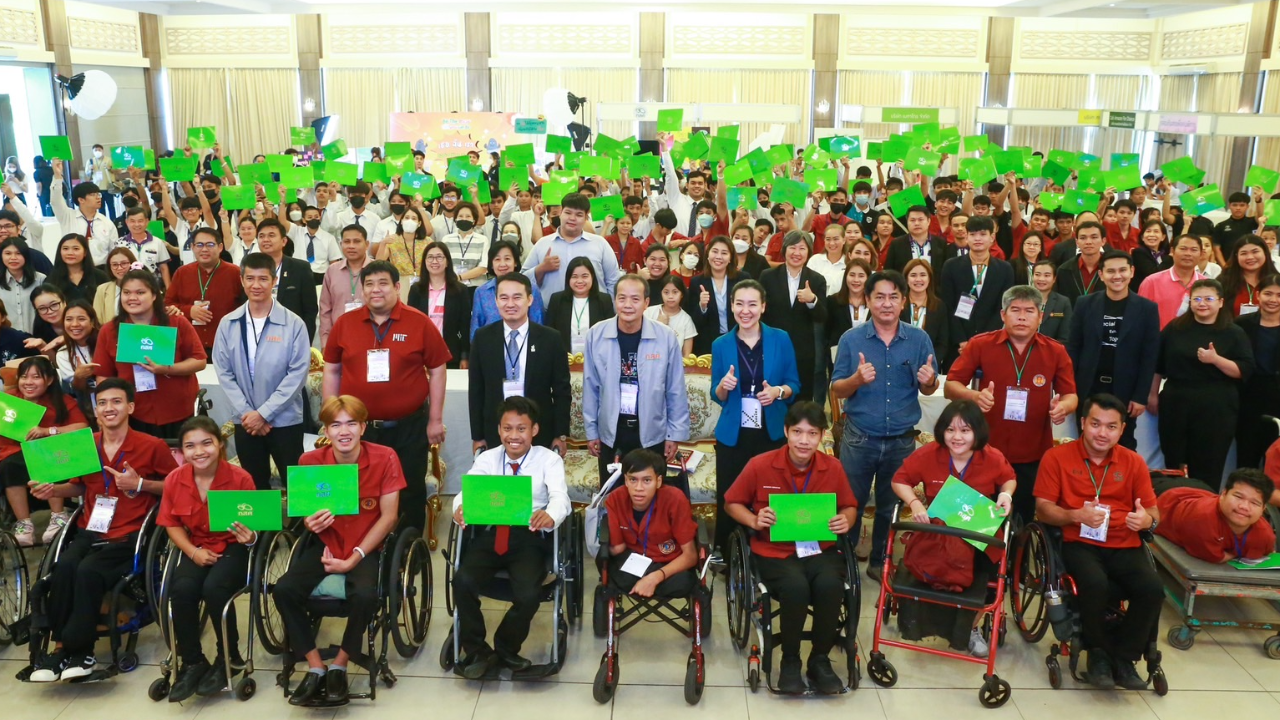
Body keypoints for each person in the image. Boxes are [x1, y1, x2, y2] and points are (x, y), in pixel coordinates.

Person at [25, 378, 178, 682]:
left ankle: (82, 652)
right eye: (103, 403)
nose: (109, 408)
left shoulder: (152, 446)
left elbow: (177, 486)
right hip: (91, 528)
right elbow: (82, 485)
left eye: (117, 401)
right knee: (63, 568)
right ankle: (58, 650)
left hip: (129, 533)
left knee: (88, 572)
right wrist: (53, 489)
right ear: (95, 411)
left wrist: (139, 484)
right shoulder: (85, 444)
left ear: (130, 407)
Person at [271, 395, 403, 705]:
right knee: (284, 590)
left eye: (351, 424)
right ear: (326, 431)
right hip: (325, 542)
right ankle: (316, 666)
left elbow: (389, 517)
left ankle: (340, 663)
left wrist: (354, 557)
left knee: (366, 595)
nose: (344, 431)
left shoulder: (385, 458)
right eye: (335, 425)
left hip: (365, 544)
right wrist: (310, 520)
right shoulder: (309, 462)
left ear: (363, 427)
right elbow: (303, 513)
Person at [724, 401, 857, 695]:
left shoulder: (832, 467)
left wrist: (845, 520)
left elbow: (849, 506)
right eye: (797, 432)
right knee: (795, 587)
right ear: (786, 431)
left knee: (830, 587)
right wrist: (755, 520)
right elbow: (732, 502)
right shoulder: (760, 464)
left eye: (812, 433)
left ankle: (819, 661)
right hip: (775, 550)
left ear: (822, 436)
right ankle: (791, 661)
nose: (804, 440)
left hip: (819, 549)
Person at [1033, 393, 1162, 691]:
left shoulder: (1133, 462)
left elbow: (1154, 512)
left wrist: (1146, 521)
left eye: (1111, 426)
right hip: (1078, 539)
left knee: (1152, 589)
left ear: (1121, 429)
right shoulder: (1056, 458)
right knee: (1094, 583)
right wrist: (1074, 514)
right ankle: (1099, 654)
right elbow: (1042, 509)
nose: (1102, 433)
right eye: (1095, 424)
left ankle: (1125, 658)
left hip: (1124, 541)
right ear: (1082, 423)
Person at [323, 260, 449, 533]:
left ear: (396, 287)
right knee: (360, 488)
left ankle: (408, 549)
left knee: (409, 489)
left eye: (382, 284)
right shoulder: (345, 324)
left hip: (409, 426)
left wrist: (435, 419)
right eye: (369, 284)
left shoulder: (419, 322)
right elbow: (331, 369)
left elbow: (438, 369)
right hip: (359, 428)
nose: (375, 290)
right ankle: (364, 545)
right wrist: (330, 414)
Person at [451, 396, 571, 678]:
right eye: (507, 428)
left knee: (529, 594)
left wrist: (551, 515)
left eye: (521, 429)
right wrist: (459, 507)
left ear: (534, 430)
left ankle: (505, 646)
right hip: (491, 534)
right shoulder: (488, 458)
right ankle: (477, 649)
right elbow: (468, 490)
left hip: (528, 536)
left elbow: (560, 497)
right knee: (462, 580)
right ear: (499, 429)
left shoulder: (549, 460)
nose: (513, 436)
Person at [831, 270, 939, 581]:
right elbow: (837, 389)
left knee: (890, 507)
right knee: (850, 501)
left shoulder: (919, 339)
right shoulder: (851, 340)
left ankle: (881, 561)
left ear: (904, 301)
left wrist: (929, 382)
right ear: (867, 300)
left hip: (901, 440)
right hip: (859, 438)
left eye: (893, 297)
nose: (886, 303)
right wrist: (856, 379)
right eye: (879, 296)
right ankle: (845, 560)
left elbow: (930, 387)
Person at [891, 400, 1015, 657]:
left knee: (987, 573)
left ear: (977, 432)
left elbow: (1008, 479)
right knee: (929, 567)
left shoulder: (991, 456)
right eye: (950, 429)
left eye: (965, 430)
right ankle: (925, 621)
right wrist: (914, 503)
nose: (956, 437)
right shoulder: (929, 454)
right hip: (940, 531)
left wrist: (1007, 496)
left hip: (977, 531)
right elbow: (899, 479)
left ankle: (971, 628)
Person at [945, 285, 1078, 524]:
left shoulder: (1055, 351)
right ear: (1003, 314)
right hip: (984, 450)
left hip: (1032, 453)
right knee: (976, 523)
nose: (1022, 317)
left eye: (1029, 311)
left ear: (1040, 316)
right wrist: (975, 397)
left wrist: (1063, 408)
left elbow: (1071, 395)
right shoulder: (980, 344)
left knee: (1021, 522)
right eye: (1015, 310)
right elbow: (951, 385)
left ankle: (1015, 560)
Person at [156, 416, 259, 701]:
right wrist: (192, 551)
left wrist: (249, 537)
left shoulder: (240, 478)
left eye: (206, 443)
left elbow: (256, 524)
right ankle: (192, 661)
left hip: (233, 547)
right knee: (182, 590)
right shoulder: (175, 479)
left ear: (220, 444)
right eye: (190, 446)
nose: (199, 451)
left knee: (215, 588)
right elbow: (171, 523)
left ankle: (229, 656)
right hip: (197, 545)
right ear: (182, 452)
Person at [710, 279, 799, 554]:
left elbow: (794, 385)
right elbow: (717, 395)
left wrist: (777, 392)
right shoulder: (721, 343)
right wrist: (724, 387)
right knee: (731, 494)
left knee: (773, 492)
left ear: (762, 307)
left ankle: (773, 550)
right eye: (739, 304)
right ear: (732, 306)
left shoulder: (780, 338)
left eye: (752, 304)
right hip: (733, 434)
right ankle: (727, 553)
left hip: (770, 431)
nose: (745, 310)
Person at [213, 253, 310, 490]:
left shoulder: (293, 323)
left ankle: (295, 528)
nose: (256, 285)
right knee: (254, 487)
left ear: (274, 280)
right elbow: (224, 372)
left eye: (263, 279)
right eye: (250, 279)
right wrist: (250, 414)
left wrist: (264, 414)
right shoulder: (228, 322)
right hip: (245, 421)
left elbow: (297, 374)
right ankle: (261, 529)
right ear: (242, 280)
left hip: (285, 421)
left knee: (296, 487)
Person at [583, 274, 689, 485]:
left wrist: (674, 434)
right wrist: (591, 431)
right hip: (611, 432)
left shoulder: (666, 337)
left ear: (646, 303)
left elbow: (675, 389)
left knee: (649, 498)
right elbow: (590, 386)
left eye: (635, 299)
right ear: (615, 301)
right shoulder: (596, 334)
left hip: (652, 432)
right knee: (612, 497)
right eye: (622, 299)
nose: (628, 305)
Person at [1149, 278, 1254, 485]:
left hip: (1216, 405)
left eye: (1208, 298)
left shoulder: (1234, 332)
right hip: (1176, 400)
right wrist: (1152, 394)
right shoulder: (1175, 328)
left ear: (1221, 302)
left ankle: (1205, 507)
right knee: (1173, 458)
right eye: (1196, 298)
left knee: (1209, 462)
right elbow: (1157, 365)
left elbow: (1244, 370)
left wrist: (1216, 360)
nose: (1202, 303)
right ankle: (1174, 504)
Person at [93, 270, 206, 439]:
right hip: (134, 413)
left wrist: (167, 368)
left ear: (154, 295)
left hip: (177, 410)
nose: (132, 298)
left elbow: (199, 360)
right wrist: (105, 411)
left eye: (140, 292)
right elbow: (103, 377)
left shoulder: (175, 322)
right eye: (126, 293)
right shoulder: (110, 330)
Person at [1067, 251, 1162, 451]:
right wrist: (1070, 388)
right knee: (1085, 442)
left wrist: (1140, 396)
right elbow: (1073, 348)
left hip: (1126, 391)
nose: (1116, 276)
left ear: (1132, 272)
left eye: (1122, 270)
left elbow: (1149, 356)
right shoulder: (1084, 304)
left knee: (1123, 445)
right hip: (1088, 386)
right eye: (1110, 271)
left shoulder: (1147, 309)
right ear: (1101, 274)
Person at [469, 273, 570, 455]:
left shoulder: (550, 339)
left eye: (517, 297)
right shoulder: (483, 338)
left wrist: (560, 435)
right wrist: (477, 436)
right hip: (495, 433)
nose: (510, 304)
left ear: (530, 299)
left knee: (536, 484)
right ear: (496, 301)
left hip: (540, 432)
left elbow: (562, 391)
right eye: (504, 298)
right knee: (499, 484)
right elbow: (476, 391)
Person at [0, 356, 90, 547]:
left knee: (43, 454)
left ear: (49, 380)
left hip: (53, 455)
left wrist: (49, 431)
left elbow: (82, 427)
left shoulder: (61, 400)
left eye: (36, 377)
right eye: (24, 377)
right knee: (9, 465)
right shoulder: (9, 402)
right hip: (12, 454)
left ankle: (58, 516)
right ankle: (24, 524)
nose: (28, 382)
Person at [604, 448, 699, 599]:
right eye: (632, 479)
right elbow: (618, 548)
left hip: (668, 562)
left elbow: (691, 555)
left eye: (647, 480)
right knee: (612, 572)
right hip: (632, 560)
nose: (638, 488)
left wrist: (655, 577)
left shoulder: (675, 499)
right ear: (625, 480)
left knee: (683, 582)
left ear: (658, 481)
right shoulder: (615, 499)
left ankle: (650, 583)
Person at [1155, 467, 1276, 563]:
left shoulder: (1265, 534)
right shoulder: (1202, 521)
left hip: (1203, 491)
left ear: (1263, 509)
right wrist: (1237, 554)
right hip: (1167, 493)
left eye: (1254, 503)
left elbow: (1268, 554)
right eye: (1238, 497)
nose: (1244, 507)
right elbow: (1217, 558)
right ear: (1223, 494)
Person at [760, 232, 828, 402]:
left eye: (802, 248)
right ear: (784, 250)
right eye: (792, 247)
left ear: (809, 252)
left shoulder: (816, 280)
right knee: (771, 396)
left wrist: (812, 300)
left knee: (801, 399)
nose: (797, 253)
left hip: (803, 352)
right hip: (772, 347)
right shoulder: (767, 276)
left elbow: (822, 316)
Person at [940, 216, 1015, 366]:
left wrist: (983, 342)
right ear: (966, 237)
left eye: (982, 234)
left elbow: (1003, 307)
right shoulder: (951, 266)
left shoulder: (1005, 269)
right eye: (973, 234)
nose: (977, 239)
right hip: (958, 345)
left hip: (991, 342)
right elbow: (948, 305)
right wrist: (962, 341)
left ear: (992, 237)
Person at [522, 193, 620, 304]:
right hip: (551, 314)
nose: (572, 218)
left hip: (594, 314)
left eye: (579, 215)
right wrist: (541, 268)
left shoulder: (600, 244)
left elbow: (613, 281)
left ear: (586, 217)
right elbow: (522, 281)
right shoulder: (543, 244)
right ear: (560, 213)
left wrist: (609, 309)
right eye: (568, 213)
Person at [165, 227, 241, 354]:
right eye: (199, 244)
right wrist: (189, 311)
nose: (204, 249)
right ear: (192, 247)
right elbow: (167, 305)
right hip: (189, 345)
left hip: (226, 345)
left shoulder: (235, 273)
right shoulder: (182, 273)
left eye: (210, 244)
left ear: (220, 247)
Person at [1236, 275, 1280, 468]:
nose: (1273, 299)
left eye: (1279, 295)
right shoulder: (1241, 324)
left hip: (1277, 395)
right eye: (1268, 293)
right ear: (1258, 295)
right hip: (1248, 395)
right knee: (1247, 454)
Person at [407, 241, 471, 369]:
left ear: (447, 262)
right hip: (422, 352)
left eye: (439, 257)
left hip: (451, 352)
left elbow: (465, 325)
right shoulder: (416, 290)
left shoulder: (460, 290)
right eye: (430, 257)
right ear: (425, 262)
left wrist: (465, 356)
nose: (434, 261)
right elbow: (411, 324)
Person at [253, 218, 318, 342]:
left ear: (283, 241)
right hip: (258, 335)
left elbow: (310, 311)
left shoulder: (300, 268)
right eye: (261, 236)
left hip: (291, 336)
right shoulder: (251, 268)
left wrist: (304, 342)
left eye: (271, 235)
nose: (266, 239)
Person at [470, 239, 546, 340]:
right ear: (491, 265)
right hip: (491, 348)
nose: (502, 264)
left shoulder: (531, 288)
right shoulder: (481, 292)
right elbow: (475, 329)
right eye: (497, 259)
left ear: (515, 262)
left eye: (507, 259)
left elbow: (538, 323)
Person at [49, 159, 118, 265]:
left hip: (100, 271)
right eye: (92, 195)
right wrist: (58, 176)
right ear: (81, 200)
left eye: (98, 194)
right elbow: (55, 201)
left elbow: (114, 252)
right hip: (73, 268)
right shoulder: (68, 216)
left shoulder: (107, 223)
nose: (98, 198)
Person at [688, 236, 747, 355]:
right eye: (715, 251)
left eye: (724, 253)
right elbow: (692, 322)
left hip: (740, 340)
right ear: (708, 255)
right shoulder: (697, 282)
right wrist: (702, 307)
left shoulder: (742, 279)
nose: (719, 257)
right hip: (708, 344)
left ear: (730, 258)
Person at [546, 256, 615, 355]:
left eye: (585, 276)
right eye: (574, 276)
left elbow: (610, 333)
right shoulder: (557, 300)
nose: (579, 281)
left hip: (596, 358)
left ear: (592, 277)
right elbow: (549, 333)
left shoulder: (604, 300)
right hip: (563, 359)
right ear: (568, 278)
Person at [1138, 234, 1207, 329]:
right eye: (1183, 249)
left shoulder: (1207, 284)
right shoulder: (1151, 282)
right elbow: (1140, 317)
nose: (1188, 253)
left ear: (1201, 254)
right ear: (1172, 251)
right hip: (1160, 341)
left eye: (1194, 250)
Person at [318, 224, 370, 348]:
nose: (351, 246)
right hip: (339, 338)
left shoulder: (377, 270)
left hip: (371, 336)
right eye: (347, 242)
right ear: (341, 244)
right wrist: (325, 342)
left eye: (357, 241)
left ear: (367, 244)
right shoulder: (332, 271)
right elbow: (325, 309)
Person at [278, 192, 341, 283]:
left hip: (320, 276)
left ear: (319, 218)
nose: (313, 219)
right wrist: (282, 201)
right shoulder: (297, 231)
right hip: (298, 273)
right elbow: (282, 221)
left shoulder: (329, 238)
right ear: (304, 220)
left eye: (316, 217)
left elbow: (334, 262)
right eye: (310, 217)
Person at [901, 258, 949, 369]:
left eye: (923, 275)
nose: (918, 279)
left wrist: (930, 364)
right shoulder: (899, 304)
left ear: (929, 278)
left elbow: (942, 342)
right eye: (913, 275)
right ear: (906, 279)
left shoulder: (939, 306)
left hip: (928, 366)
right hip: (900, 364)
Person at [823, 258, 873, 363]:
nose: (856, 280)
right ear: (845, 277)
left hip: (871, 358)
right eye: (852, 275)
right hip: (839, 358)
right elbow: (826, 332)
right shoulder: (833, 302)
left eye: (861, 276)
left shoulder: (874, 303)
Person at [1219, 236, 1278, 317]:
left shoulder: (1276, 281)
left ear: (1265, 252)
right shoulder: (1223, 281)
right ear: (1236, 256)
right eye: (1243, 253)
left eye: (1255, 252)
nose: (1250, 257)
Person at [374, 204, 430, 288]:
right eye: (407, 218)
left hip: (423, 283)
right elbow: (378, 263)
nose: (410, 221)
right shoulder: (392, 240)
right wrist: (383, 244)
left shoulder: (427, 242)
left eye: (414, 218)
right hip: (399, 284)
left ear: (419, 223)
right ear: (401, 221)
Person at [884, 206, 948, 278]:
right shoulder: (896, 244)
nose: (916, 223)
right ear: (907, 222)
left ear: (928, 221)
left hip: (934, 287)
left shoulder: (940, 243)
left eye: (920, 220)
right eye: (912, 220)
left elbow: (946, 271)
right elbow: (889, 271)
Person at [115, 206, 171, 286]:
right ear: (126, 222)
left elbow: (164, 268)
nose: (137, 224)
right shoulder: (119, 243)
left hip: (153, 285)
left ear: (147, 221)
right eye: (132, 221)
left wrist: (168, 289)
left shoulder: (157, 242)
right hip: (128, 285)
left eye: (140, 221)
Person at [1056, 221, 1106, 307]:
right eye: (1083, 238)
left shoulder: (1112, 269)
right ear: (1077, 242)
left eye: (1094, 237)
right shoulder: (1064, 270)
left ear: (1103, 241)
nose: (1088, 242)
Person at [0, 237, 44, 334]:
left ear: (26, 256)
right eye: (8, 253)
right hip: (7, 340)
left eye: (18, 253)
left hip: (38, 337)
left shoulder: (40, 279)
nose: (13, 258)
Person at [47, 234, 107, 303]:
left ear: (85, 252)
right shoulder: (52, 280)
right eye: (65, 249)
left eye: (76, 249)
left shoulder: (100, 276)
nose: (70, 253)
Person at [1027, 260, 1073, 344]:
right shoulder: (1022, 299)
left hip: (1051, 352)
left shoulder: (1063, 302)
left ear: (1054, 279)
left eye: (1047, 275)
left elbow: (1065, 336)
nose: (1041, 279)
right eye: (1037, 275)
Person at [92, 247, 135, 324]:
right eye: (115, 265)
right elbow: (97, 319)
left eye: (124, 263)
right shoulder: (102, 289)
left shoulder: (143, 287)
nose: (119, 268)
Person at [1131, 220, 1172, 292]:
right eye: (1148, 231)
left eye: (1156, 231)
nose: (1152, 235)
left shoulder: (1164, 254)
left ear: (1163, 237)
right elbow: (1154, 274)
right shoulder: (1138, 252)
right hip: (1143, 293)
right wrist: (1171, 258)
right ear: (1142, 237)